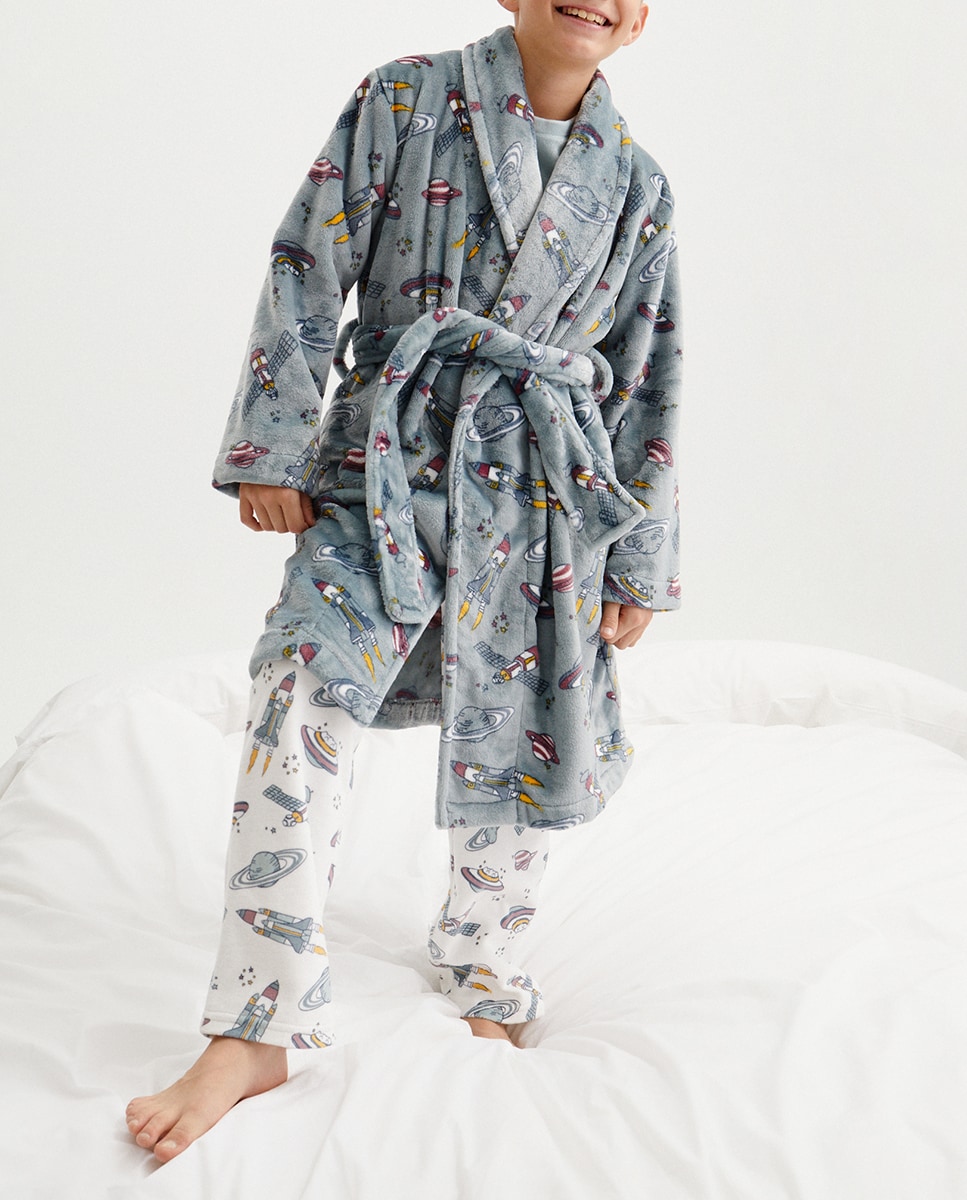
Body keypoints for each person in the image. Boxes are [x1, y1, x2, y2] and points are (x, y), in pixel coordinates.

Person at [126, 0, 681, 1162]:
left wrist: (637, 552)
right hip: (385, 462)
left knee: (526, 718)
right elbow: (307, 261)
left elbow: (644, 375)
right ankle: (256, 1020)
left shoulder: (635, 183)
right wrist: (273, 445)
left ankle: (483, 956)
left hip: (538, 487)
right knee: (297, 691)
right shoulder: (402, 98)